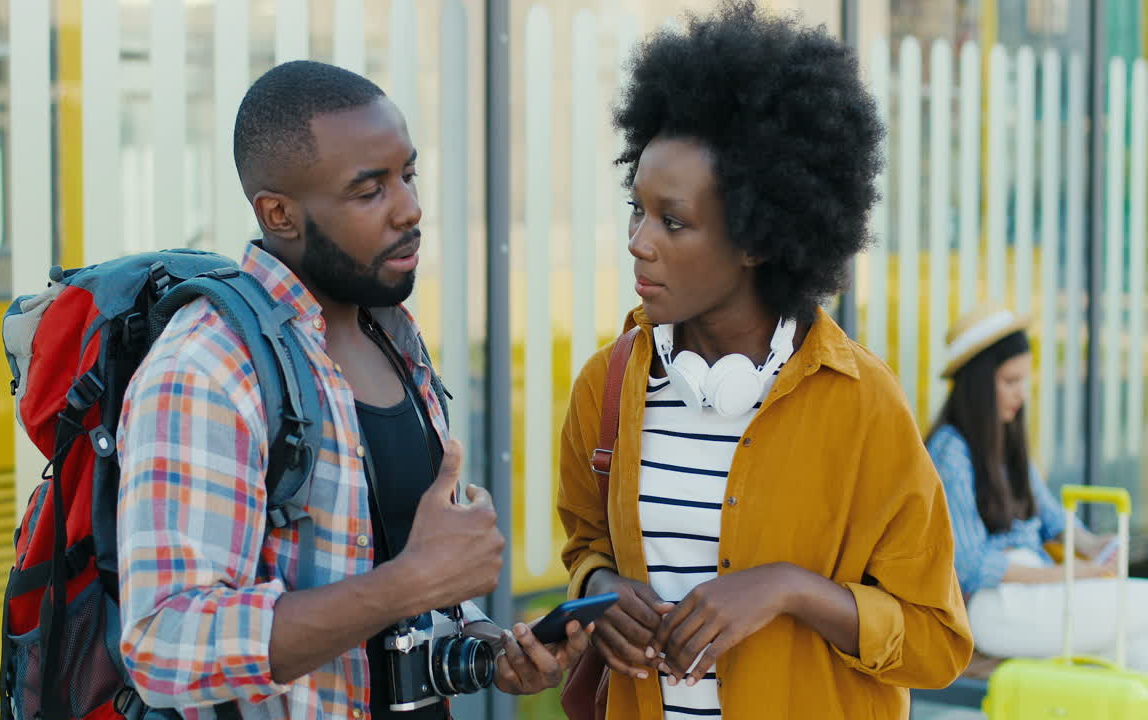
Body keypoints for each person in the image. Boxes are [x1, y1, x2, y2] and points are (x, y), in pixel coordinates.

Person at [117, 60, 586, 720]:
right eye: (370, 191)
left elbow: (389, 577)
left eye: (408, 175)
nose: (411, 209)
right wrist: (410, 582)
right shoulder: (206, 369)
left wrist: (479, 640)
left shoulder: (391, 334)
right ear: (279, 213)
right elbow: (164, 648)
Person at [556, 4, 974, 719]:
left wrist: (789, 589)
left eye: (674, 221)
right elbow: (586, 548)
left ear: (758, 237)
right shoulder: (608, 385)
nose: (638, 241)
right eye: (637, 210)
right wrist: (600, 587)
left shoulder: (861, 401)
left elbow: (935, 642)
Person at [928, 304, 1148, 670]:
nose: (1021, 394)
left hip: (1036, 590)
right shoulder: (951, 452)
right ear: (980, 385)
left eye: (1023, 381)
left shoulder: (1005, 439)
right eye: (1010, 382)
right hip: (994, 607)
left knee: (1139, 654)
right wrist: (1067, 574)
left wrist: (1095, 547)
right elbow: (970, 565)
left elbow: (1049, 516)